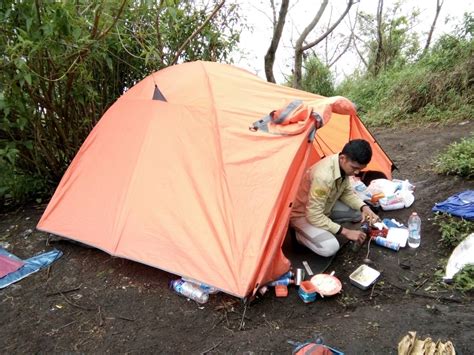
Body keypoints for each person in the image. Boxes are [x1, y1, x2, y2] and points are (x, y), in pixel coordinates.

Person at [290, 139, 380, 257]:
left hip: (324, 206)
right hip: (304, 215)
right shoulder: (323, 177)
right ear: (343, 158)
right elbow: (314, 215)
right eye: (354, 168)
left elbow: (346, 192)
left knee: (359, 213)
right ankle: (299, 235)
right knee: (330, 248)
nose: (356, 172)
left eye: (360, 169)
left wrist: (364, 207)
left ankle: (324, 226)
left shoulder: (341, 164)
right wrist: (345, 232)